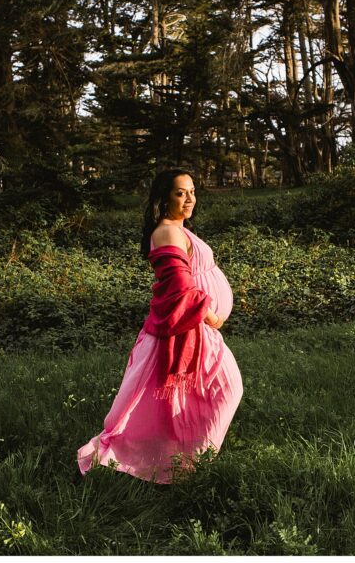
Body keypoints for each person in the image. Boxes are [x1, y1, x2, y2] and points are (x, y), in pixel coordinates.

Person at [77, 169, 244, 483]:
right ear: (164, 197)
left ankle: (188, 462)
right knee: (226, 389)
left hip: (195, 327)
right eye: (180, 193)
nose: (189, 199)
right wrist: (212, 317)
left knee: (202, 397)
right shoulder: (167, 232)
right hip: (191, 325)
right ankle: (186, 464)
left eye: (192, 191)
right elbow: (180, 287)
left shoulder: (179, 229)